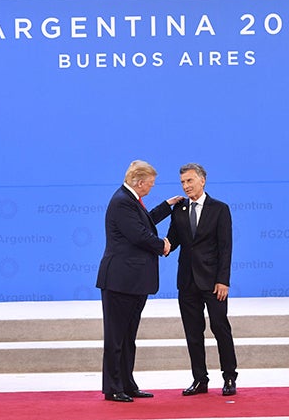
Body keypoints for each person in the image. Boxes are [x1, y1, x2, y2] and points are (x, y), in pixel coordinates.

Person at [96, 160, 183, 402]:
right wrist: (162, 245)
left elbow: (144, 222)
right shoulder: (122, 201)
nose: (152, 188)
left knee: (127, 337)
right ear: (140, 182)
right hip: (120, 281)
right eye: (151, 184)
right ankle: (113, 387)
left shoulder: (130, 200)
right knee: (116, 337)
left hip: (132, 282)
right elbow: (138, 234)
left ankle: (127, 383)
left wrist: (167, 206)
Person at [166, 163, 238, 396]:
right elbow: (171, 241)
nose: (186, 186)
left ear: (202, 180)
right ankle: (200, 379)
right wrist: (153, 244)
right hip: (187, 281)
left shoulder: (220, 209)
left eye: (189, 181)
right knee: (193, 332)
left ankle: (229, 377)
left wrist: (223, 280)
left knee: (220, 328)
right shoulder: (179, 210)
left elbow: (225, 248)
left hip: (213, 282)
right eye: (182, 182)